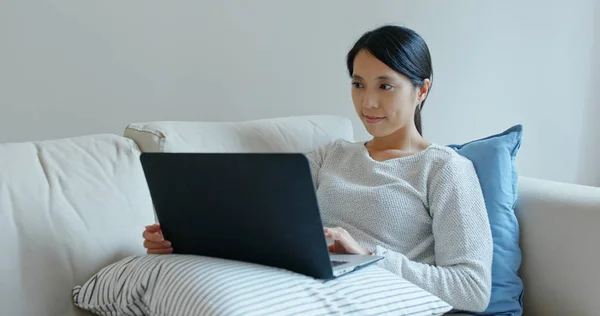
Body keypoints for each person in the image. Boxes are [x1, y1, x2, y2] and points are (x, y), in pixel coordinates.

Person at [142, 25, 493, 312]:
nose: (368, 102)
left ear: (422, 90)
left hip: (381, 300)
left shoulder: (445, 168)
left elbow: (472, 290)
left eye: (385, 86)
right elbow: (259, 226)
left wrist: (368, 255)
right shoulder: (330, 156)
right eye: (358, 84)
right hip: (306, 294)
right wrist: (186, 238)